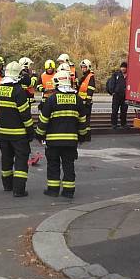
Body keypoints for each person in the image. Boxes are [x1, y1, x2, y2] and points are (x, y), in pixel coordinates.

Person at [36, 69, 90, 198]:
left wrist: (39, 134)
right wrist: (82, 136)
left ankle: (53, 190)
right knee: (68, 165)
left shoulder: (52, 99)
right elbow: (83, 122)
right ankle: (68, 191)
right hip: (71, 141)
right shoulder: (77, 100)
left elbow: (43, 120)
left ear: (56, 83)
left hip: (53, 141)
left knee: (53, 165)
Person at [0, 61, 34, 197]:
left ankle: (7, 185)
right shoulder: (19, 91)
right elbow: (25, 115)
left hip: (4, 133)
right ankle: (19, 190)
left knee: (6, 159)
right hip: (19, 134)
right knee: (21, 162)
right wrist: (30, 132)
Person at [78, 59, 96, 139]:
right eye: (82, 67)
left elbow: (91, 89)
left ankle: (86, 136)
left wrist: (87, 101)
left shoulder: (90, 76)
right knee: (83, 119)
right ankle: (84, 135)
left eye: (84, 67)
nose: (83, 69)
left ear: (88, 67)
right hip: (82, 101)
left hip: (86, 102)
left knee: (85, 120)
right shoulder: (84, 77)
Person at [108, 62, 128, 129]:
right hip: (116, 95)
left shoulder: (129, 75)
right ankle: (114, 124)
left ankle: (123, 124)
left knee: (124, 111)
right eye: (122, 67)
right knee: (114, 110)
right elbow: (111, 83)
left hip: (125, 96)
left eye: (125, 67)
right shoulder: (116, 74)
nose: (123, 69)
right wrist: (112, 92)